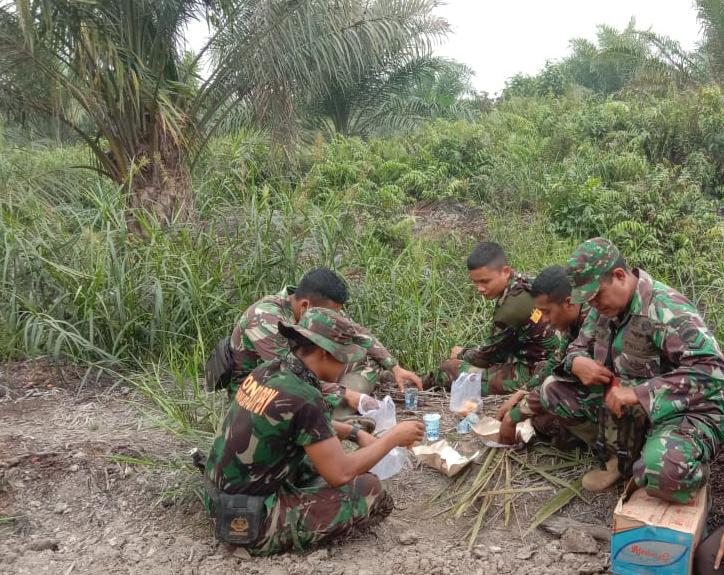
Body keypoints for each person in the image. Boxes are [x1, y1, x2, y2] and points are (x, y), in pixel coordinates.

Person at [204, 307, 424, 555]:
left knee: (313, 458)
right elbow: (340, 474)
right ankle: (268, 535)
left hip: (218, 499)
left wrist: (353, 433)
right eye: (343, 358)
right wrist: (394, 437)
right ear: (323, 352)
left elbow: (296, 424)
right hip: (250, 523)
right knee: (369, 489)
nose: (345, 367)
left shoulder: (267, 371)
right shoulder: (306, 398)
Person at [538, 237, 724, 502]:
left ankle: (673, 459)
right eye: (588, 300)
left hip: (679, 410)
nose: (594, 305)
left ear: (619, 275)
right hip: (624, 409)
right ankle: (617, 458)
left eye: (597, 296)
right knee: (552, 390)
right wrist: (577, 362)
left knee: (664, 471)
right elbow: (576, 347)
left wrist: (640, 392)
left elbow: (713, 371)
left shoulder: (665, 309)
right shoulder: (602, 308)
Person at [205, 267, 422, 412]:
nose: (335, 317)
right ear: (306, 306)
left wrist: (394, 367)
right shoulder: (265, 318)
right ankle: (338, 411)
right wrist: (348, 395)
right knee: (311, 395)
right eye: (333, 313)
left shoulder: (315, 312)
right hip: (260, 390)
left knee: (370, 360)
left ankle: (340, 403)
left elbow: (357, 333)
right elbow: (291, 376)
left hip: (303, 371)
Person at [430, 241, 556, 396]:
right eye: (475, 282)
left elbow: (486, 358)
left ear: (506, 271)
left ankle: (416, 384)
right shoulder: (524, 282)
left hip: (536, 373)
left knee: (450, 369)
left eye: (485, 281)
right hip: (543, 358)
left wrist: (462, 354)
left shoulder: (510, 310)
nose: (480, 289)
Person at [496, 265, 591, 445]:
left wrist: (513, 416)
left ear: (569, 303)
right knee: (541, 370)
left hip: (608, 404)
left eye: (547, 312)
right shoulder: (572, 320)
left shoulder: (592, 324)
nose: (545, 320)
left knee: (547, 421)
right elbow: (554, 362)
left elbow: (560, 381)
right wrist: (520, 393)